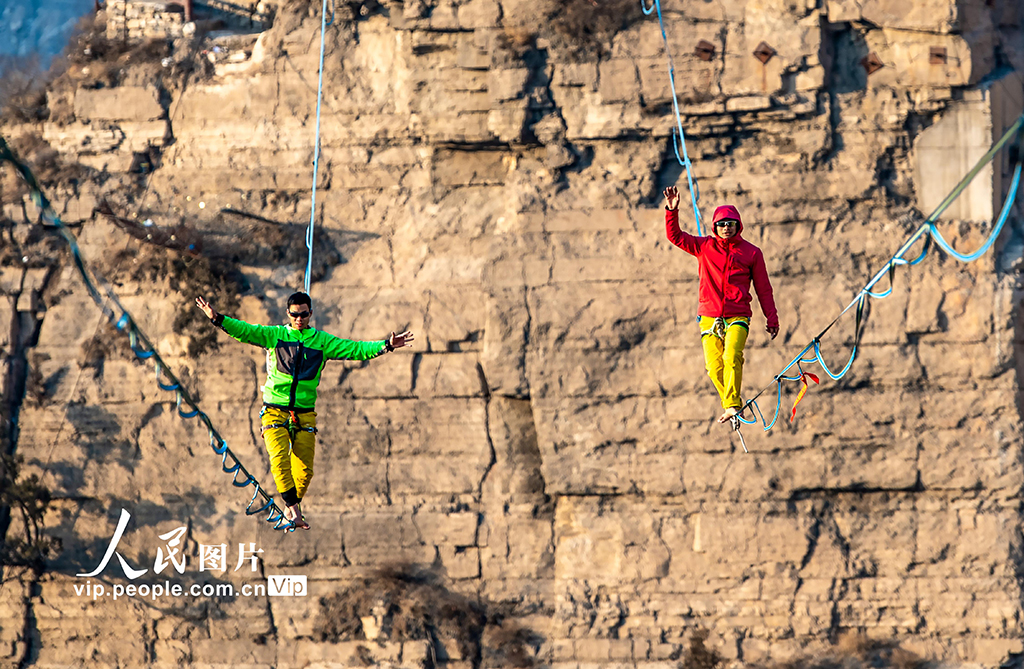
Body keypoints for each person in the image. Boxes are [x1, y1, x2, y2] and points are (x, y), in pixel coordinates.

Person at [195, 292, 413, 529]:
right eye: (295, 314)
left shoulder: (322, 342)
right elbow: (245, 331)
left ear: (311, 313)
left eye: (304, 314)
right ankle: (292, 508)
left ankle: (293, 506)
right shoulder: (275, 336)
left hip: (304, 413)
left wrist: (387, 345)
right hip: (274, 410)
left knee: (305, 472)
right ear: (288, 314)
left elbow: (356, 349)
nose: (299, 319)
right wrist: (217, 318)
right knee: (279, 461)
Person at [663, 186, 780, 424]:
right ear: (715, 227)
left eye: (731, 223)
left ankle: (734, 405)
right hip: (709, 317)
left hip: (738, 316)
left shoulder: (752, 253)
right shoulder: (704, 247)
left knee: (732, 357)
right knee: (713, 367)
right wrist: (672, 211)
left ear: (738, 226)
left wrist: (772, 317)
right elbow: (675, 236)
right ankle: (730, 403)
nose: (726, 227)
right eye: (722, 224)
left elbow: (763, 289)